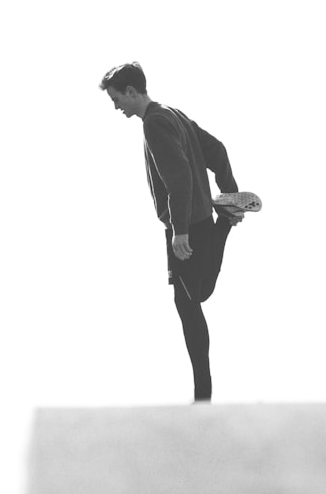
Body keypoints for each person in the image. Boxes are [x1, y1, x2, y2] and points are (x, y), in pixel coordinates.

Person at [99, 61, 245, 403]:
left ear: (132, 92)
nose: (116, 107)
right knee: (197, 295)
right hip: (198, 218)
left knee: (189, 301)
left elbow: (177, 177)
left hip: (187, 225)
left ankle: (202, 396)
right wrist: (230, 195)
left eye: (117, 99)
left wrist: (179, 231)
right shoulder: (173, 114)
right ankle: (224, 218)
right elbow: (217, 149)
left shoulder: (154, 123)